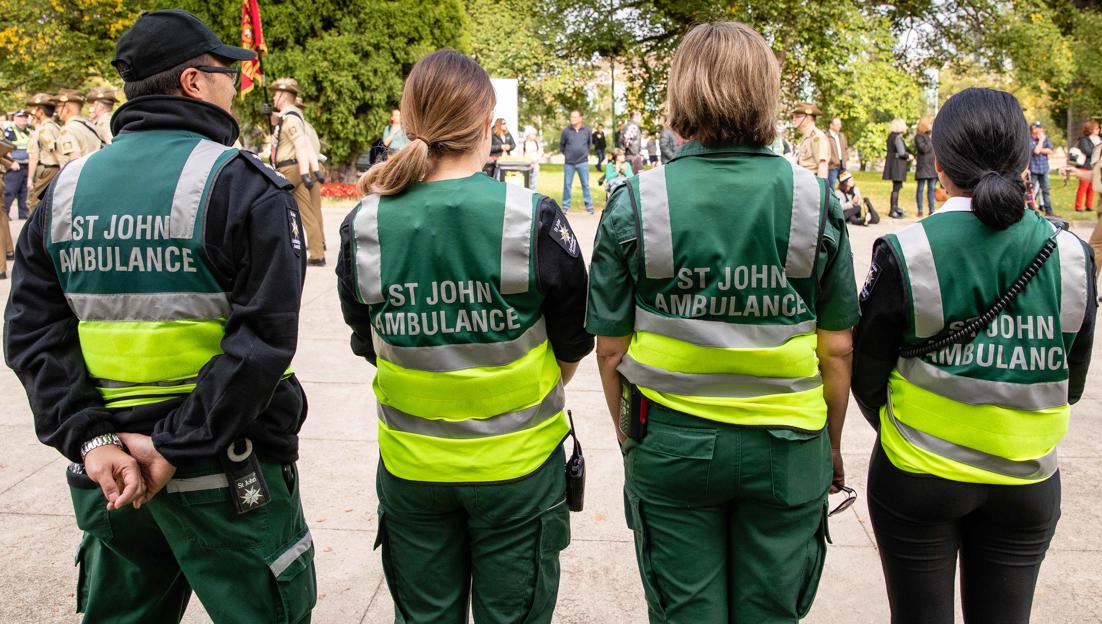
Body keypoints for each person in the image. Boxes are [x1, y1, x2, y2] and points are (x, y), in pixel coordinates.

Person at [3, 9, 316, 623]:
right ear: (194, 83)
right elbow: (262, 343)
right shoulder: (241, 185)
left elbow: (32, 337)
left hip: (110, 476)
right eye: (228, 72)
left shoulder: (66, 191)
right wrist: (175, 444)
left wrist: (92, 439)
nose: (235, 85)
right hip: (228, 472)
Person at [588, 22, 857, 623]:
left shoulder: (638, 201)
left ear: (683, 93)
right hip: (788, 448)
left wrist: (630, 439)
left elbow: (610, 351)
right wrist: (831, 446)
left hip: (672, 445)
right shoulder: (815, 202)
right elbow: (837, 349)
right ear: (767, 94)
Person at [338, 48, 592, 624]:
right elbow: (574, 340)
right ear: (486, 126)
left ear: (405, 123)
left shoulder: (366, 223)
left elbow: (367, 342)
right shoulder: (534, 216)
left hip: (412, 471)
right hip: (520, 472)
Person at [853, 87, 1095, 624]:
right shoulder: (1074, 256)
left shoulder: (907, 250)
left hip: (917, 469)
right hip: (1028, 475)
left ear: (939, 164)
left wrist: (894, 421)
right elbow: (1070, 381)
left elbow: (866, 373)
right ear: (1020, 159)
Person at [270, 77, 326, 267]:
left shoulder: (291, 118)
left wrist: (305, 172)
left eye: (277, 94)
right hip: (297, 167)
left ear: (285, 96)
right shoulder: (289, 118)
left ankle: (273, 249)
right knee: (307, 213)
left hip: (289, 168)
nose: (273, 97)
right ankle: (317, 254)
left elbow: (302, 144)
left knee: (269, 202)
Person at [25, 92, 63, 207]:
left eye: (35, 110)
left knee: (34, 202)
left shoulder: (44, 129)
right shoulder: (56, 126)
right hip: (54, 169)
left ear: (40, 112)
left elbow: (36, 156)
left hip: (48, 169)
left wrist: (30, 179)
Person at [55, 90, 105, 165]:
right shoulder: (90, 125)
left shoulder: (68, 130)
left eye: (58, 106)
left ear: (67, 107)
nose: (57, 110)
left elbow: (74, 160)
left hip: (81, 174)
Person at [560, 109, 593, 214]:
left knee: (586, 185)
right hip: (569, 163)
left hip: (583, 162)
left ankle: (589, 206)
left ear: (580, 118)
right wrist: (568, 154)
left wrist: (584, 153)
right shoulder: (566, 131)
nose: (572, 119)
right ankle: (565, 206)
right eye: (571, 117)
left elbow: (589, 144)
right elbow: (562, 146)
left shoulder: (587, 130)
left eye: (574, 117)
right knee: (567, 185)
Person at [3, 109, 31, 223]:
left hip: (27, 164)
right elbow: (6, 149)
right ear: (15, 118)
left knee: (24, 192)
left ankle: (23, 214)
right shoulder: (10, 131)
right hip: (15, 165)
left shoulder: (29, 130)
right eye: (20, 117)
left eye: (25, 117)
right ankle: (4, 214)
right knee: (10, 191)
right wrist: (12, 162)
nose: (23, 119)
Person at [792, 102, 829, 178]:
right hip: (803, 180)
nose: (794, 119)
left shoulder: (817, 136)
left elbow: (822, 165)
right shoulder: (806, 137)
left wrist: (821, 188)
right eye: (794, 117)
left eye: (798, 116)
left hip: (812, 181)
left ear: (808, 118)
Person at [883, 118, 911, 218]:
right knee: (896, 188)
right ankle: (893, 209)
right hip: (897, 166)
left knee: (896, 187)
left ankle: (894, 208)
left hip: (892, 165)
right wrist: (909, 156)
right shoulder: (897, 137)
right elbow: (902, 153)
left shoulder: (890, 136)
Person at [1073, 119, 1099, 212]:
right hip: (1085, 166)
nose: (1098, 130)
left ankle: (1089, 205)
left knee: (1092, 188)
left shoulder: (1098, 139)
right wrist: (1097, 150)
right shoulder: (1084, 140)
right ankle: (1078, 206)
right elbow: (1087, 151)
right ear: (1091, 129)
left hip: (1093, 166)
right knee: (1083, 187)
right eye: (1096, 128)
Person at [914, 116, 937, 216]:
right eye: (931, 123)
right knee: (920, 188)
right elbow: (924, 149)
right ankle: (920, 209)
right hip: (923, 167)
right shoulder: (919, 137)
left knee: (931, 188)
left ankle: (932, 209)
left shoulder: (933, 136)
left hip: (932, 167)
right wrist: (931, 139)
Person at [827, 116, 848, 189]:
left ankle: (845, 199)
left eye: (840, 124)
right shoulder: (826, 137)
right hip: (832, 167)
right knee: (831, 187)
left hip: (843, 166)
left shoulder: (842, 136)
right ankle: (832, 200)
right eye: (837, 124)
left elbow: (845, 149)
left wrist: (846, 159)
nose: (840, 126)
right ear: (831, 125)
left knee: (846, 185)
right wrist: (831, 161)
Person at [621, 110, 645, 174]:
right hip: (632, 155)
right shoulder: (632, 126)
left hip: (632, 154)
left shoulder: (632, 125)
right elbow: (626, 139)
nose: (640, 119)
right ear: (635, 116)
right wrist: (633, 152)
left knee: (636, 174)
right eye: (639, 117)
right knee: (635, 174)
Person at [522, 126, 543, 191]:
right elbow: (521, 155)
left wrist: (536, 160)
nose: (534, 135)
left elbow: (540, 152)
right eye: (533, 134)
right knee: (525, 183)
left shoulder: (536, 143)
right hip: (526, 166)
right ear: (528, 134)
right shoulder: (524, 143)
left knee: (533, 184)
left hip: (535, 166)